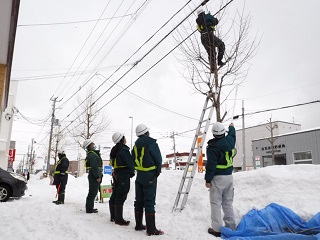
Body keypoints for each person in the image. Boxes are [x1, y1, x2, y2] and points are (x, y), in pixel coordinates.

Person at [131, 123, 164, 235]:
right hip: (150, 175)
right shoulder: (151, 143)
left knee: (139, 201)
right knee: (149, 202)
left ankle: (139, 225)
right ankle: (151, 229)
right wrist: (157, 171)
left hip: (139, 175)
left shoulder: (135, 146)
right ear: (146, 132)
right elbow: (158, 159)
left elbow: (132, 159)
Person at [205, 122, 236, 237]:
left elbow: (211, 165)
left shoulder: (212, 148)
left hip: (218, 178)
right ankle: (231, 226)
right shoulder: (230, 141)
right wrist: (231, 127)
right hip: (229, 177)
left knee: (216, 203)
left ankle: (217, 229)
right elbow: (232, 134)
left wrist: (208, 180)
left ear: (213, 134)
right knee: (228, 203)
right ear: (224, 132)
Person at [109, 132, 135, 226]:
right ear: (121, 139)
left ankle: (113, 216)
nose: (125, 139)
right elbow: (130, 163)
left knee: (115, 193)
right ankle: (119, 219)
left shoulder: (113, 150)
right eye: (124, 137)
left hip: (116, 173)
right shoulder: (124, 150)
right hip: (123, 174)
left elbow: (111, 162)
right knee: (121, 195)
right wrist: (132, 172)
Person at [196, 8, 226, 73]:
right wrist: (212, 17)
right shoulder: (208, 16)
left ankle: (212, 68)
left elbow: (199, 30)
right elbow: (216, 21)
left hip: (203, 38)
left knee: (211, 52)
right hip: (209, 35)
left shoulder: (198, 22)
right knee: (221, 45)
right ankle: (219, 61)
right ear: (203, 12)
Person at [83, 139, 103, 214]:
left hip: (93, 174)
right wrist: (97, 177)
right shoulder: (92, 155)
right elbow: (94, 167)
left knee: (93, 192)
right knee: (92, 192)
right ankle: (89, 209)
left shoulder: (92, 154)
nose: (94, 144)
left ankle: (90, 207)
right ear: (90, 146)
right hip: (94, 175)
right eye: (92, 144)